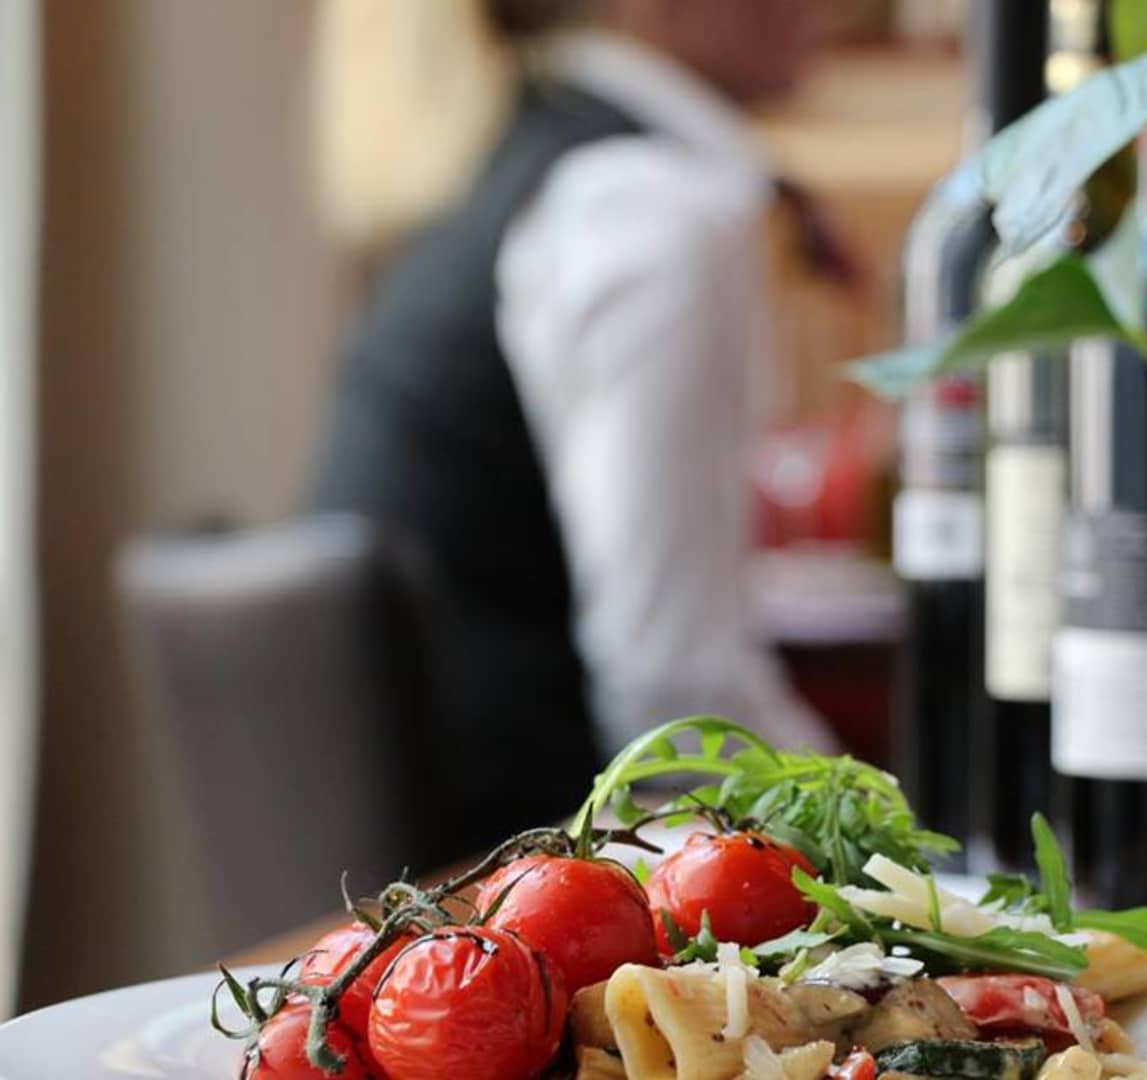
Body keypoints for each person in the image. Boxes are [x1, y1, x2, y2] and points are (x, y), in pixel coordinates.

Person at [308, 0, 841, 844]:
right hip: (519, 875)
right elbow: (677, 693)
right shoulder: (646, 204)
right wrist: (891, 832)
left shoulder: (521, 165)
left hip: (454, 884)